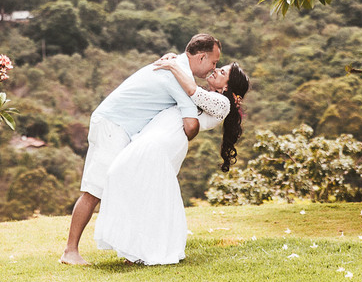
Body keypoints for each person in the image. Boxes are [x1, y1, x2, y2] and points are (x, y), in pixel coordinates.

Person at [59, 34, 221, 265]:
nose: (214, 68)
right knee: (95, 189)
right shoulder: (177, 74)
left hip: (121, 127)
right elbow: (191, 125)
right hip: (113, 125)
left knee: (129, 186)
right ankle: (70, 251)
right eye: (214, 62)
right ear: (202, 57)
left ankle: (132, 252)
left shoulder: (175, 67)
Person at [93, 56, 249, 265]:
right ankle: (136, 250)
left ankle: (141, 251)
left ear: (228, 87)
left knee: (126, 178)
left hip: (162, 141)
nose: (216, 70)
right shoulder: (211, 96)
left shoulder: (222, 104)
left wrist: (174, 65)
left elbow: (192, 90)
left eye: (222, 72)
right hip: (157, 137)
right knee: (137, 187)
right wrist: (175, 61)